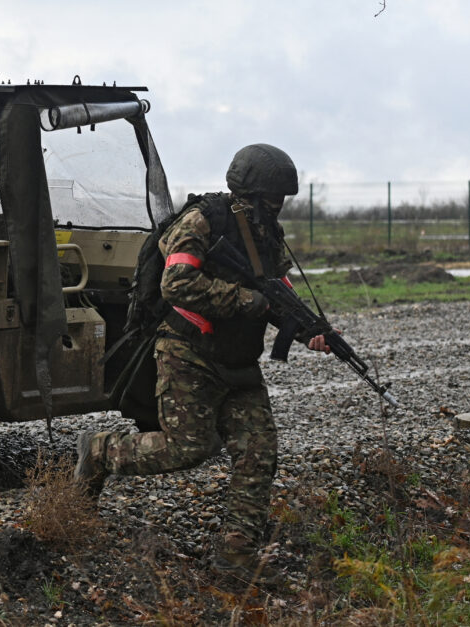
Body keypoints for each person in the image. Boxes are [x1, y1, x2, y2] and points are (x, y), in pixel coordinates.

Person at [74, 143, 328, 577]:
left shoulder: (269, 234)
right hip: (189, 353)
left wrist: (307, 329)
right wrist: (246, 301)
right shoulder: (203, 221)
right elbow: (177, 284)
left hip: (239, 360)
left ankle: (235, 557)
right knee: (184, 449)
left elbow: (278, 290)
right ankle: (100, 450)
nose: (277, 207)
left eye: (281, 201)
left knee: (258, 454)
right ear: (250, 193)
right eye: (272, 199)